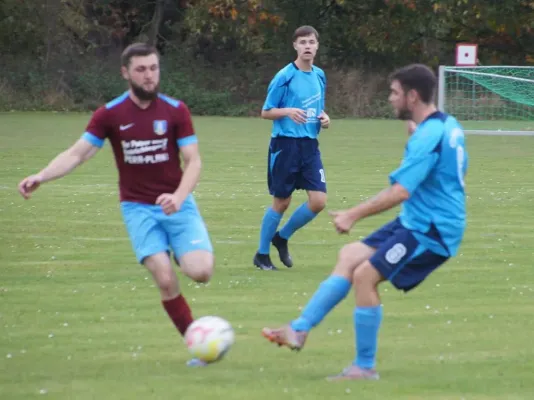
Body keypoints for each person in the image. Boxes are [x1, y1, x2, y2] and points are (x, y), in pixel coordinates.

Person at [261, 63, 469, 380]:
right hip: (418, 220)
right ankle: (298, 330)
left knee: (365, 277)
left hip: (432, 230)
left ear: (412, 96)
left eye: (395, 92)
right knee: (349, 257)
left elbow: (400, 191)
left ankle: (364, 366)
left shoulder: (429, 137)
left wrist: (351, 214)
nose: (390, 98)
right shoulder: (448, 126)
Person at [18, 43, 215, 367]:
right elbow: (77, 153)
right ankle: (198, 343)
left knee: (202, 271)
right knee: (165, 279)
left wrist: (179, 197)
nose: (149, 75)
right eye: (141, 69)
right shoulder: (110, 115)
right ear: (125, 73)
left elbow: (193, 160)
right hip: (138, 209)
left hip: (178, 204)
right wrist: (42, 175)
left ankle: (179, 250)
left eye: (153, 68)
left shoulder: (175, 110)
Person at [254, 25, 331, 271]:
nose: (307, 46)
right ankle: (262, 255)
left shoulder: (319, 75)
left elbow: (318, 109)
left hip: (309, 146)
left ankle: (282, 237)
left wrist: (325, 119)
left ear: (317, 46)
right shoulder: (284, 76)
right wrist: (287, 111)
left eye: (311, 42)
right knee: (282, 202)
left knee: (318, 201)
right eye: (302, 42)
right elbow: (266, 112)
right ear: (295, 46)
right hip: (285, 145)